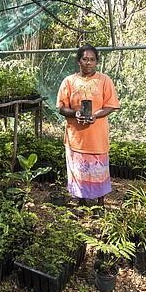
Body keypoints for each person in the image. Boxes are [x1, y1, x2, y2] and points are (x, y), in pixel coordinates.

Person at [56, 44, 120, 208]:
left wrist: (95, 115)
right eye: (85, 59)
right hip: (76, 137)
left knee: (99, 170)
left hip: (97, 136)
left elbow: (110, 105)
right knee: (79, 169)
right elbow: (62, 107)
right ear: (78, 61)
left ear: (97, 62)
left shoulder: (104, 80)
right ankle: (81, 201)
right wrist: (74, 113)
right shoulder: (69, 81)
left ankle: (100, 203)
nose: (88, 63)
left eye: (92, 59)